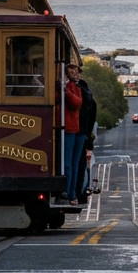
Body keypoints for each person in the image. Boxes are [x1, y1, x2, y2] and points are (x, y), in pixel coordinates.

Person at [60, 62, 85, 205]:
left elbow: (77, 103)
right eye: (72, 71)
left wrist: (66, 91)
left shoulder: (75, 88)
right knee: (68, 164)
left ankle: (70, 192)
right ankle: (69, 192)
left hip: (70, 128)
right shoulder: (66, 87)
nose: (75, 73)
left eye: (75, 71)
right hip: (65, 127)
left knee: (69, 164)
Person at [74, 71, 98, 202]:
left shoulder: (80, 97)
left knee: (75, 162)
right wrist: (89, 136)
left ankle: (77, 190)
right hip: (84, 134)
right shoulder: (91, 101)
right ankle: (82, 191)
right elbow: (92, 120)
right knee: (83, 163)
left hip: (75, 131)